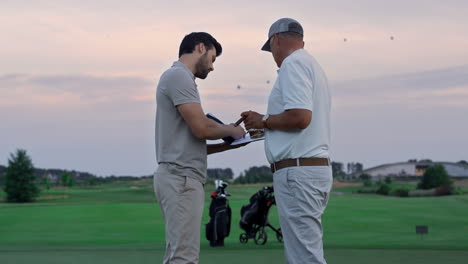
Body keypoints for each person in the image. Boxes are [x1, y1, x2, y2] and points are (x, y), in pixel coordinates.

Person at [241, 18, 332, 264]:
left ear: (276, 40)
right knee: (306, 254)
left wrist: (264, 121)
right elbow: (301, 121)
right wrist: (268, 128)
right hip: (310, 168)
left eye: (270, 49)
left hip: (298, 173)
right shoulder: (312, 65)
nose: (273, 55)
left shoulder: (293, 64)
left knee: (305, 258)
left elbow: (300, 117)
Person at [154, 32, 246, 264]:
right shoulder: (179, 76)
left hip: (180, 176)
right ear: (201, 48)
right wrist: (231, 130)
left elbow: (193, 143)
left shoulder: (178, 78)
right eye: (213, 59)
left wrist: (227, 146)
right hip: (181, 178)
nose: (212, 67)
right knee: (184, 258)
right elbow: (201, 128)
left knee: (179, 255)